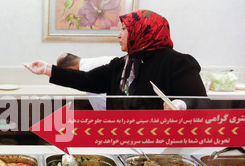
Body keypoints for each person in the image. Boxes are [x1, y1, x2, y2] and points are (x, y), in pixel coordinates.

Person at [25, 10, 209, 110]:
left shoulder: (177, 63)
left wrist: (180, 104)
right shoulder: (122, 63)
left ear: (141, 31)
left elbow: (201, 102)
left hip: (160, 149)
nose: (118, 35)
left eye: (123, 29)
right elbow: (88, 80)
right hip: (121, 143)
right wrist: (47, 69)